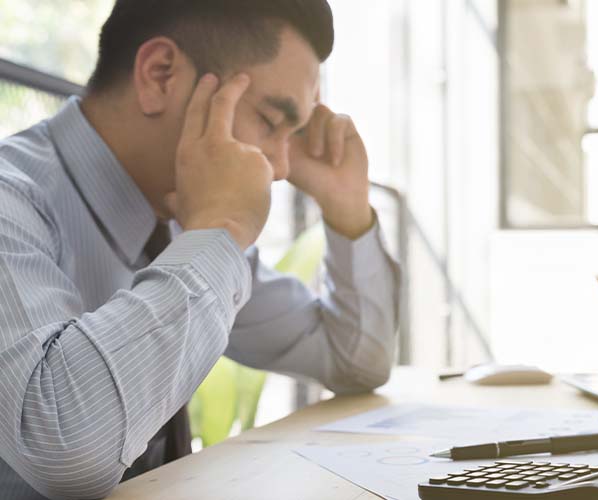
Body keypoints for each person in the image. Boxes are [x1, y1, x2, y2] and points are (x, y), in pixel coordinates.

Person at [0, 1, 400, 498]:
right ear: (160, 74)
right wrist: (223, 227)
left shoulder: (183, 225)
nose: (279, 166)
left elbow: (355, 362)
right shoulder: (11, 205)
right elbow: (67, 451)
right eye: (270, 121)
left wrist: (348, 212)